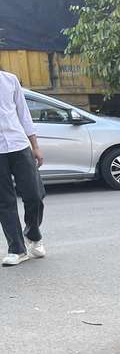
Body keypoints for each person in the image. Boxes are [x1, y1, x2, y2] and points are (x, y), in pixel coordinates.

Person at [0, 70, 46, 267]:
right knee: (4, 202)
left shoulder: (9, 80)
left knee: (35, 195)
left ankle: (33, 234)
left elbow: (23, 113)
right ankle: (17, 249)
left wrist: (35, 146)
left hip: (19, 145)